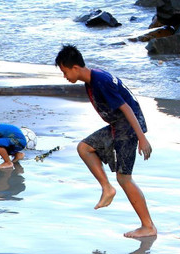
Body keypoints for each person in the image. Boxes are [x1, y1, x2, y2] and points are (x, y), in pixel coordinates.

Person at [55, 44, 157, 239]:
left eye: (65, 71)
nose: (65, 76)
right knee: (85, 148)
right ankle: (107, 188)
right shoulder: (91, 80)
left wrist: (142, 138)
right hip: (118, 126)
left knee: (124, 178)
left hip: (127, 127)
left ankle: (148, 226)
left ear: (75, 67)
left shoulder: (100, 81)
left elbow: (127, 108)